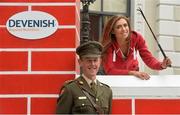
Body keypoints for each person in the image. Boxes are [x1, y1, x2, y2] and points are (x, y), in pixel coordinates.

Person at [101, 15, 172, 80]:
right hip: (115, 80)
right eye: (119, 27)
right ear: (113, 31)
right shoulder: (109, 45)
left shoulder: (137, 38)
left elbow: (148, 59)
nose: (123, 29)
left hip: (133, 80)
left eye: (125, 25)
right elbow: (110, 70)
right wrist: (132, 73)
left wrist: (161, 65)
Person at [56, 41, 112, 114]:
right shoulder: (70, 89)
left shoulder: (107, 91)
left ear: (100, 61)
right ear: (80, 62)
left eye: (95, 60)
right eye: (88, 60)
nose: (92, 64)